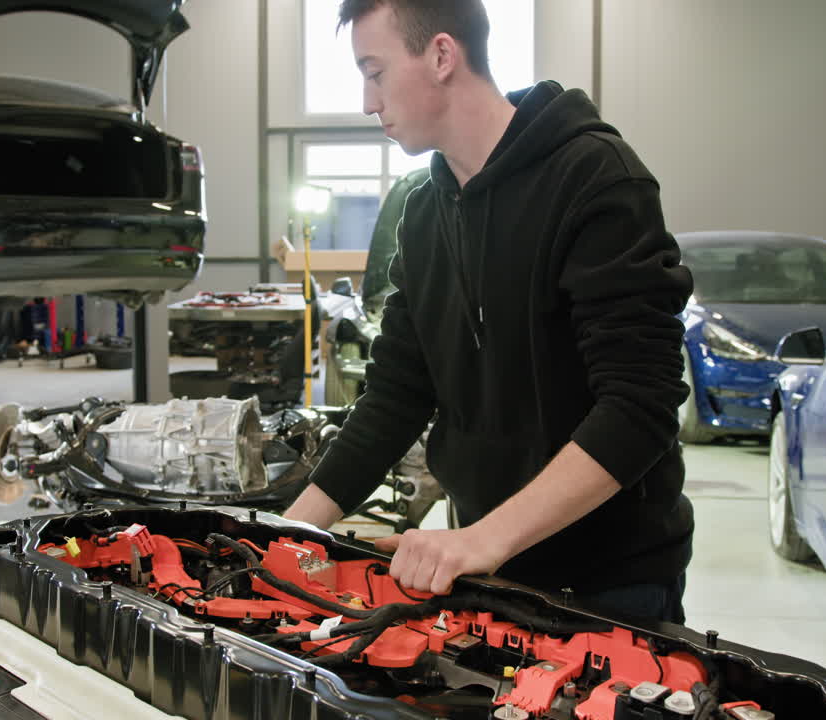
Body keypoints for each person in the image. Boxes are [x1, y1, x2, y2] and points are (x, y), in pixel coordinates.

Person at [283, 0, 695, 623]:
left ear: (442, 55)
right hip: (483, 570)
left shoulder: (594, 179)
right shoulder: (423, 216)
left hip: (610, 582)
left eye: (375, 72)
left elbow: (640, 405)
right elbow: (397, 393)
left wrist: (481, 539)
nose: (369, 102)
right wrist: (285, 535)